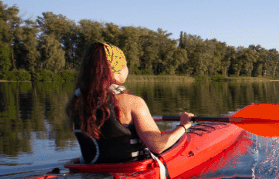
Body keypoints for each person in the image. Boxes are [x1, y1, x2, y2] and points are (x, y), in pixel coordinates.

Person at [66, 42, 194, 164]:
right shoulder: (132, 102)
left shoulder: (77, 102)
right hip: (128, 171)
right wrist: (183, 126)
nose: (127, 68)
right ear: (116, 70)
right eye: (125, 64)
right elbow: (158, 146)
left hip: (87, 172)